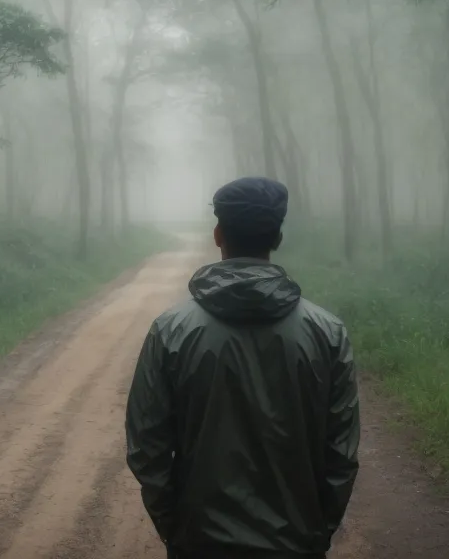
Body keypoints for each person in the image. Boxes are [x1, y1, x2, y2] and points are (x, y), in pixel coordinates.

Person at [125, 176, 360, 559]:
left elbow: (146, 446)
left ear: (218, 234)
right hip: (296, 543)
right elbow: (341, 452)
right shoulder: (327, 332)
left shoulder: (171, 331)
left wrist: (176, 526)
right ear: (277, 238)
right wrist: (318, 530)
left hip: (199, 542)